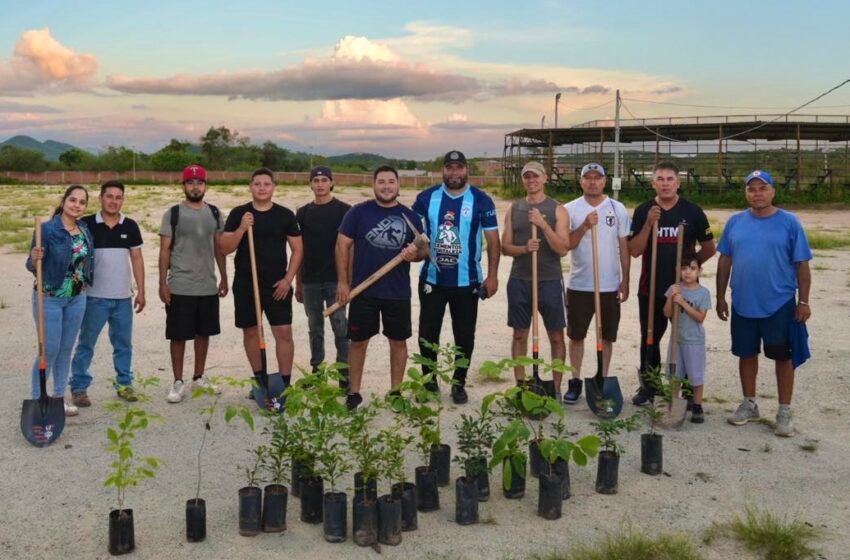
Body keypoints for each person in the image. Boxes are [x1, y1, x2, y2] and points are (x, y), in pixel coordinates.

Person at [717, 170, 812, 437]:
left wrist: (803, 301)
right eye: (752, 189)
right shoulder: (735, 222)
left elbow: (802, 264)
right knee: (746, 354)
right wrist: (720, 297)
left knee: (783, 357)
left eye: (763, 188)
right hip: (743, 302)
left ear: (773, 191)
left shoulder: (789, 223)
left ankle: (784, 411)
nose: (757, 193)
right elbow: (725, 260)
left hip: (779, 303)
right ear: (746, 193)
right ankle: (749, 403)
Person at [412, 150, 500, 404]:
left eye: (459, 167)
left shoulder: (481, 200)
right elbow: (414, 235)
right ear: (442, 170)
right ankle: (429, 382)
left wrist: (492, 276)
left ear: (466, 170)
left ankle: (458, 383)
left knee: (464, 335)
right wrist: (417, 250)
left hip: (467, 282)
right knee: (428, 333)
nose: (454, 173)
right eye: (449, 168)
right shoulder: (426, 197)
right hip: (433, 280)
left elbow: (494, 241)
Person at [627, 161, 715, 406]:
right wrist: (648, 223)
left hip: (682, 291)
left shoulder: (692, 212)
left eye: (670, 179)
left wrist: (690, 270)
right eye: (660, 179)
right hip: (652, 288)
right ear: (653, 183)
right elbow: (634, 250)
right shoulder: (644, 210)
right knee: (650, 338)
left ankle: (685, 388)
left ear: (678, 183)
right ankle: (649, 386)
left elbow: (709, 248)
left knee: (684, 338)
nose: (665, 184)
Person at [336, 165, 422, 409]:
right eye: (381, 181)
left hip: (397, 292)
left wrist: (414, 254)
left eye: (391, 181)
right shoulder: (358, 213)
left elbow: (423, 250)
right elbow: (342, 245)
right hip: (364, 291)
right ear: (373, 185)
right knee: (358, 342)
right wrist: (343, 282)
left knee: (398, 342)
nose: (386, 186)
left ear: (398, 185)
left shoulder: (410, 217)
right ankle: (354, 392)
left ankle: (395, 392)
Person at [219, 167, 303, 393]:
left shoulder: (285, 215)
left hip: (277, 284)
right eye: (257, 184)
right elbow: (225, 248)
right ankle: (260, 382)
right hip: (247, 283)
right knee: (251, 332)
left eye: (266, 184)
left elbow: (298, 250)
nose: (262, 188)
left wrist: (287, 279)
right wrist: (241, 228)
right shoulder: (239, 213)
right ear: (250, 187)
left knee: (283, 332)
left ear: (274, 187)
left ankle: (284, 385)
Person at [70, 180, 145, 407]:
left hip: (123, 298)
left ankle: (124, 384)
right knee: (86, 344)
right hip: (94, 298)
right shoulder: (85, 224)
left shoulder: (130, 226)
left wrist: (141, 291)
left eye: (118, 197)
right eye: (109, 196)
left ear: (123, 200)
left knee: (123, 345)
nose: (113, 201)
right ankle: (79, 387)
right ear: (101, 198)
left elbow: (137, 258)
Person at [158, 164, 228, 403]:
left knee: (203, 333)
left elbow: (219, 248)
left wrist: (224, 277)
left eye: (199, 183)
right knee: (178, 335)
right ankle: (178, 381)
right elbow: (164, 250)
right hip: (180, 284)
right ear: (184, 186)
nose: (195, 187)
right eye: (190, 183)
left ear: (205, 186)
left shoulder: (215, 213)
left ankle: (198, 376)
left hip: (207, 284)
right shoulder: (173, 214)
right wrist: (162, 283)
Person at [563, 163, 631, 404]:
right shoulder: (570, 209)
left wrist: (625, 279)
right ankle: (575, 380)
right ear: (581, 181)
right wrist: (584, 226)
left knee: (607, 336)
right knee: (576, 335)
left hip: (609, 285)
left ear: (604, 181)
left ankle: (602, 377)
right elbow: (566, 245)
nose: (592, 182)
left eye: (597, 178)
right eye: (588, 178)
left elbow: (624, 247)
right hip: (580, 284)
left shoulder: (617, 208)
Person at [500, 161, 569, 394]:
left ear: (545, 178)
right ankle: (521, 386)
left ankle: (555, 388)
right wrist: (524, 249)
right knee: (520, 334)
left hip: (549, 279)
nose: (531, 180)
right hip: (520, 279)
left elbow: (563, 248)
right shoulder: (515, 208)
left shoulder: (558, 209)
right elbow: (505, 247)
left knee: (556, 335)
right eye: (527, 177)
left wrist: (543, 225)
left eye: (535, 176)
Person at [26, 185, 95, 416]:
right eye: (73, 200)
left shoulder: (84, 229)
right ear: (64, 201)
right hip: (49, 298)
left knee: (65, 350)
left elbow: (85, 261)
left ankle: (58, 398)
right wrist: (34, 258)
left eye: (82, 202)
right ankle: (38, 399)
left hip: (77, 298)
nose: (77, 205)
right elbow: (31, 265)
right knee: (49, 350)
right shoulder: (46, 229)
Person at [295, 166, 351, 383]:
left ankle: (344, 375)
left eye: (324, 180)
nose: (320, 184)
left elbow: (349, 248)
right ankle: (317, 374)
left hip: (335, 280)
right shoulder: (302, 213)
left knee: (340, 327)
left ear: (332, 183)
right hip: (310, 281)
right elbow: (299, 250)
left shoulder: (344, 211)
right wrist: (298, 283)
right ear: (310, 184)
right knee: (314, 328)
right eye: (316, 180)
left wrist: (347, 281)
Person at [663, 253, 710, 423]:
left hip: (694, 341)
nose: (688, 272)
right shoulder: (674, 288)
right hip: (676, 339)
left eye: (692, 268)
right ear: (678, 270)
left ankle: (697, 405)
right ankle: (674, 404)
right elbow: (667, 313)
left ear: (699, 271)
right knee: (675, 375)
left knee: (696, 375)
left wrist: (682, 303)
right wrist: (671, 298)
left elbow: (700, 317)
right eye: (684, 268)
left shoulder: (703, 293)